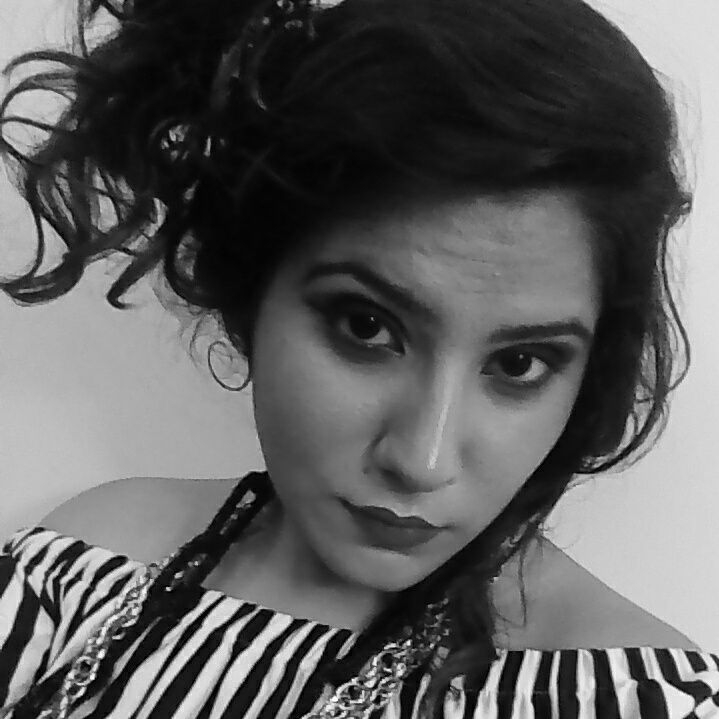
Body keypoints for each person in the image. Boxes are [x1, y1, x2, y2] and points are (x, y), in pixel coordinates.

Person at [0, 0, 717, 717]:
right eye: (366, 327)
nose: (422, 460)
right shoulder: (83, 570)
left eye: (519, 364)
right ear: (252, 288)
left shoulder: (636, 698)